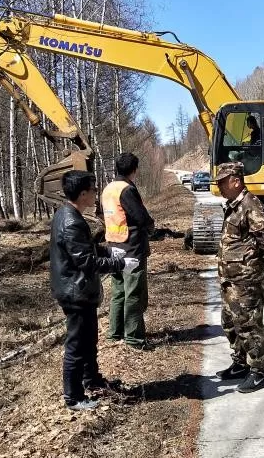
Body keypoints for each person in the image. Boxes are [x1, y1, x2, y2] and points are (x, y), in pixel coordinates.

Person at [50, 170, 133, 411]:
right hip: (75, 291)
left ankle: (92, 380)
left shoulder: (68, 214)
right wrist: (119, 264)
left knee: (89, 340)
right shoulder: (71, 221)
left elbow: (84, 249)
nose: (96, 193)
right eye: (93, 189)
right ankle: (73, 397)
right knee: (77, 345)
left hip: (79, 290)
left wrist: (108, 251)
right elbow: (85, 261)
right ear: (83, 193)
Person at [213, 161, 264, 393]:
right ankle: (240, 364)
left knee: (249, 324)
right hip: (230, 279)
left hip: (247, 280)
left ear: (236, 181)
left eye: (223, 182)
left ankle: (258, 371)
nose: (219, 186)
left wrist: (255, 264)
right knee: (230, 322)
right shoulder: (233, 205)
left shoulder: (250, 204)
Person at [101, 152, 156, 350]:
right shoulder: (127, 189)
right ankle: (134, 338)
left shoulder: (108, 189)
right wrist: (151, 227)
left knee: (118, 292)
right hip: (132, 247)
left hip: (113, 246)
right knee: (134, 294)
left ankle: (115, 333)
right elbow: (141, 217)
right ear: (134, 170)